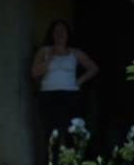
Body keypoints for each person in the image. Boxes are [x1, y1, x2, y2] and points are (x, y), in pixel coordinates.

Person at [31, 19, 99, 147]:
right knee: (50, 133)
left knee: (70, 132)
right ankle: (51, 159)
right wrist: (48, 60)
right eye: (56, 31)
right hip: (48, 95)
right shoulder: (44, 51)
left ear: (67, 34)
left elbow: (93, 68)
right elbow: (34, 72)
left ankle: (70, 159)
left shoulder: (75, 52)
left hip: (70, 95)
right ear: (52, 34)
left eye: (63, 31)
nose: (60, 34)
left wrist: (79, 81)